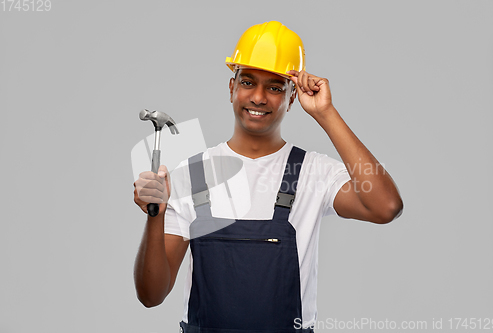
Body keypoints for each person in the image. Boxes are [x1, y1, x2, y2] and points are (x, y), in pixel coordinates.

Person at [133, 21, 403, 332]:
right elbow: (151, 295)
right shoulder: (192, 176)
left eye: (275, 87)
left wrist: (325, 113)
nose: (259, 97)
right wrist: (156, 214)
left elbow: (386, 206)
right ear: (232, 88)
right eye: (248, 82)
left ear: (291, 99)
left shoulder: (313, 172)